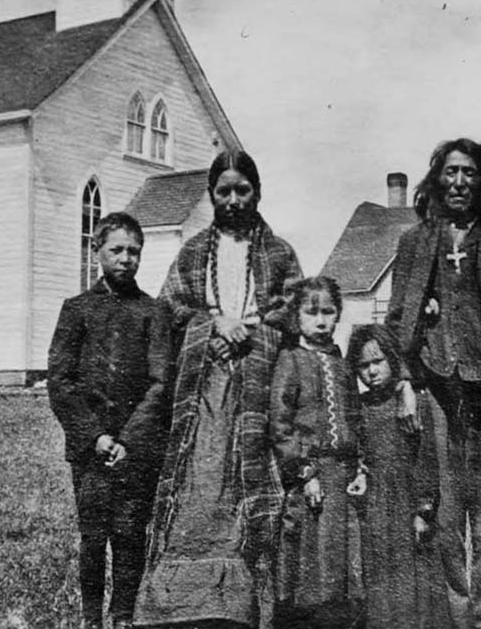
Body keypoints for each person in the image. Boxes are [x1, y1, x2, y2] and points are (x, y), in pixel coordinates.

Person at [132, 150, 303, 629]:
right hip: (204, 391)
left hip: (258, 386)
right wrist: (214, 325)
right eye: (223, 191)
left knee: (249, 483)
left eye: (241, 190)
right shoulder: (191, 254)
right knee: (201, 482)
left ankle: (245, 605)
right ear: (211, 196)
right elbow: (171, 310)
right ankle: (181, 606)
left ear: (258, 192)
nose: (232, 200)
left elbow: (290, 313)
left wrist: (249, 330)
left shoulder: (280, 253)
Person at [385, 138, 481, 629]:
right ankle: (454, 621)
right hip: (436, 402)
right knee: (445, 526)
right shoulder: (415, 244)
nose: (458, 182)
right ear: (436, 179)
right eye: (450, 172)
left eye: (469, 173)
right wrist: (405, 384)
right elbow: (397, 325)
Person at [47, 212, 172, 629]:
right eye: (116, 249)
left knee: (130, 534)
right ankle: (90, 619)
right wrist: (95, 436)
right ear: (96, 250)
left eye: (133, 251)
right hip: (90, 450)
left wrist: (129, 440)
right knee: (94, 536)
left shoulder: (153, 313)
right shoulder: (77, 310)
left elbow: (160, 383)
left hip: (137, 449)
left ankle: (122, 617)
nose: (125, 259)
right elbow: (60, 382)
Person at [269, 276, 366, 629]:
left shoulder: (342, 364)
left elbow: (354, 416)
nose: (321, 320)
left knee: (341, 557)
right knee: (309, 557)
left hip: (342, 475)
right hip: (311, 476)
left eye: (328, 311)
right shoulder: (291, 360)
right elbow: (280, 424)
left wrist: (359, 467)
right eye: (312, 313)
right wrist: (304, 472)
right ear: (297, 317)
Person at [345, 324, 451, 629]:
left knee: (415, 574)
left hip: (408, 500)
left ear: (392, 359)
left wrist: (424, 508)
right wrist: (362, 473)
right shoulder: (363, 407)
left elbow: (426, 458)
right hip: (378, 504)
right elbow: (361, 451)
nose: (372, 372)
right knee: (381, 573)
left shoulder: (410, 404)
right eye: (363, 366)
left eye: (378, 362)